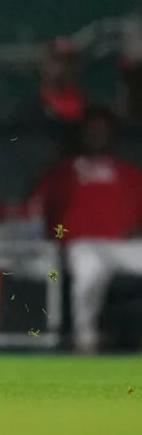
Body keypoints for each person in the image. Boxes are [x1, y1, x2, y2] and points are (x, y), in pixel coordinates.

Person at [27, 107, 142, 353]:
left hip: (123, 245)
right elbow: (40, 211)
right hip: (83, 244)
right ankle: (85, 341)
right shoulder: (64, 172)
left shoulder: (128, 172)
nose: (97, 135)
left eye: (102, 130)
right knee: (86, 276)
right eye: (92, 130)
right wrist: (59, 236)